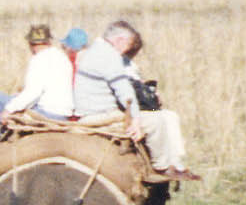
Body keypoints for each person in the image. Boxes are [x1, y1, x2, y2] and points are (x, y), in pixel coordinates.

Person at [74, 19, 198, 181]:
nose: (128, 50)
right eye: (129, 44)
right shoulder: (109, 56)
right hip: (101, 114)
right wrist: (136, 121)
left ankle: (174, 163)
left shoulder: (95, 50)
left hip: (93, 110)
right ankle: (161, 168)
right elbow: (125, 92)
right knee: (157, 120)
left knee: (166, 116)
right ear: (120, 40)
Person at [0, 23, 78, 137]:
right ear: (49, 41)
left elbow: (33, 93)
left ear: (31, 44)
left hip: (46, 113)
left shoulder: (39, 60)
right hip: (63, 113)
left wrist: (8, 110)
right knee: (16, 99)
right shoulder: (61, 56)